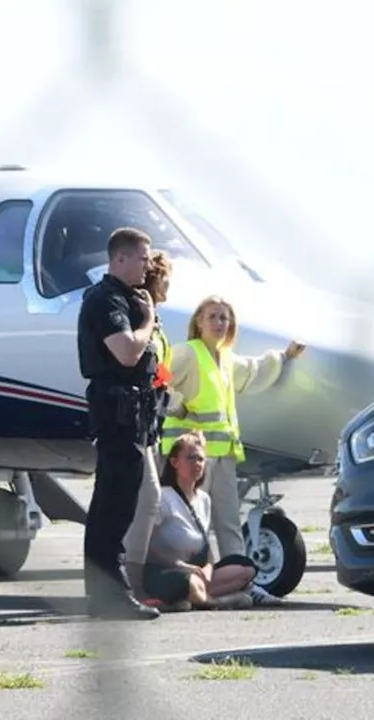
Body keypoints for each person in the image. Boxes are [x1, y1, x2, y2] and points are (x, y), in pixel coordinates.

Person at [159, 294, 306, 606]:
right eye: (212, 316)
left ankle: (243, 582)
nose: (219, 323)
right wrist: (178, 406)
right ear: (198, 321)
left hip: (222, 455)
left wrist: (285, 357)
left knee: (227, 521)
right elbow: (158, 380)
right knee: (188, 524)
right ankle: (182, 583)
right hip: (190, 458)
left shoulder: (226, 359)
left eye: (224, 318)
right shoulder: (187, 353)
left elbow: (254, 370)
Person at [76, 226, 164, 620]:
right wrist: (148, 319)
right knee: (112, 505)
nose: (148, 265)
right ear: (120, 258)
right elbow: (127, 352)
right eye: (142, 258)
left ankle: (107, 593)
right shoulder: (106, 299)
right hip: (116, 411)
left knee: (121, 502)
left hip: (132, 412)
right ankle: (108, 594)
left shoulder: (126, 297)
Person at [141, 430, 258, 610]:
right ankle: (216, 601)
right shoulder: (163, 497)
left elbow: (207, 549)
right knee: (188, 583)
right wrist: (181, 566)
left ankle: (193, 597)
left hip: (196, 572)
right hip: (167, 570)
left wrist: (208, 571)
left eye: (201, 459)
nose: (197, 464)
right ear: (174, 462)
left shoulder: (204, 499)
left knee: (246, 568)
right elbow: (147, 546)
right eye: (190, 458)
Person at [119, 250, 175, 605]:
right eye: (167, 278)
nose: (171, 285)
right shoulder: (142, 312)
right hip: (135, 419)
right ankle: (132, 582)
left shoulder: (156, 319)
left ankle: (137, 575)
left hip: (152, 419)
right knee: (147, 496)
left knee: (146, 499)